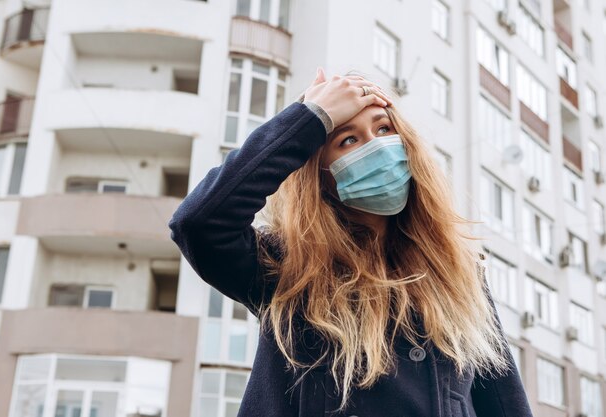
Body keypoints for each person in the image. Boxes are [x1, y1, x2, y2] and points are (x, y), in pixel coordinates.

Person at [168, 67, 534, 417]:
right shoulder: (285, 266)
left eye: (384, 129)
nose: (376, 148)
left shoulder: (457, 266)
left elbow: (502, 398)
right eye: (348, 139)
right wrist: (310, 118)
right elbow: (199, 222)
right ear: (321, 173)